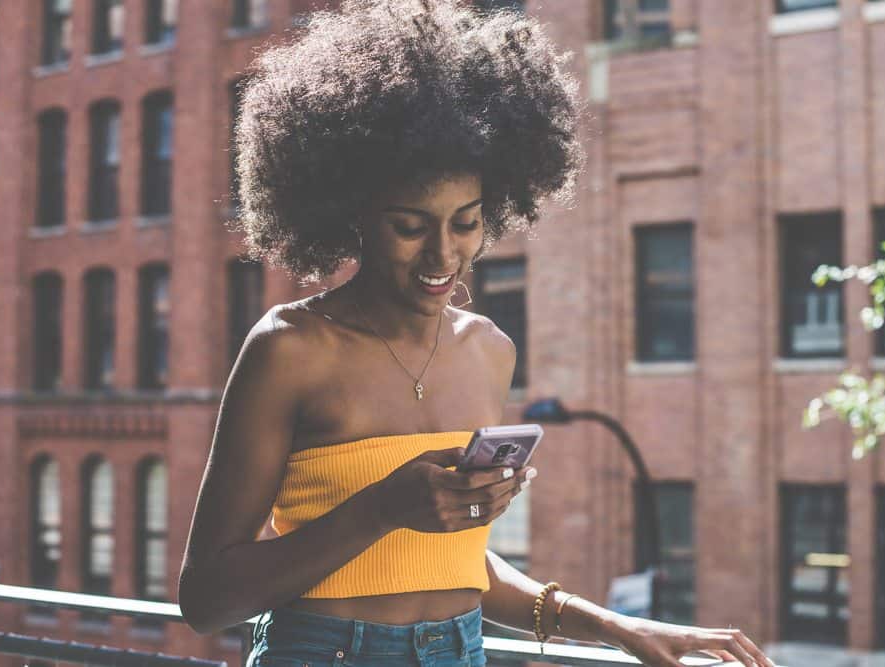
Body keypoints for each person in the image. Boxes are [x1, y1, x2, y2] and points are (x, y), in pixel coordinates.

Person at [178, 2, 774, 666]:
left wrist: (617, 626)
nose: (442, 255)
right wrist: (380, 507)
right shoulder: (288, 347)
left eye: (464, 222)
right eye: (409, 225)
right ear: (353, 215)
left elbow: (457, 567)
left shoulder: (489, 349)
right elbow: (206, 599)